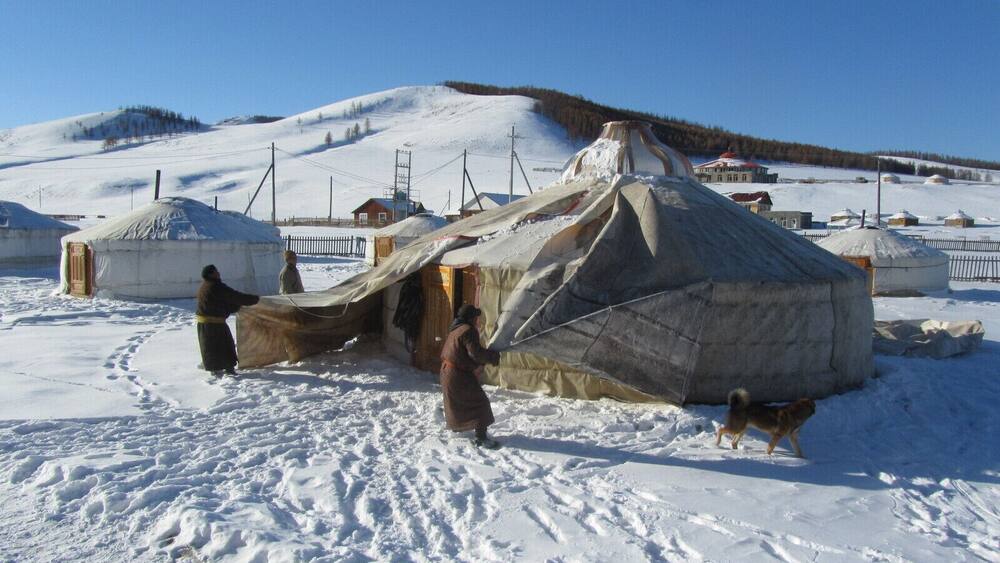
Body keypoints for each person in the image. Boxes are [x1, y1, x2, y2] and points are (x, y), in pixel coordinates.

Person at [440, 304, 502, 448]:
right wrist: (492, 357)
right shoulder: (468, 330)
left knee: (461, 402)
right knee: (480, 402)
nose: (477, 320)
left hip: (448, 371)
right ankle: (481, 438)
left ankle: (460, 427)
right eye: (476, 317)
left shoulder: (456, 328)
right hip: (456, 374)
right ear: (471, 318)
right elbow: (475, 353)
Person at [196, 264, 259, 376]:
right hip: (213, 324)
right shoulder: (215, 287)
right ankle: (224, 369)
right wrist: (255, 299)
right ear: (211, 274)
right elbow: (235, 296)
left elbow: (222, 304)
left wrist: (236, 307)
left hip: (208, 324)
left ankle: (217, 368)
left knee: (213, 347)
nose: (218, 273)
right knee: (222, 346)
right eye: (216, 271)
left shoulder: (206, 286)